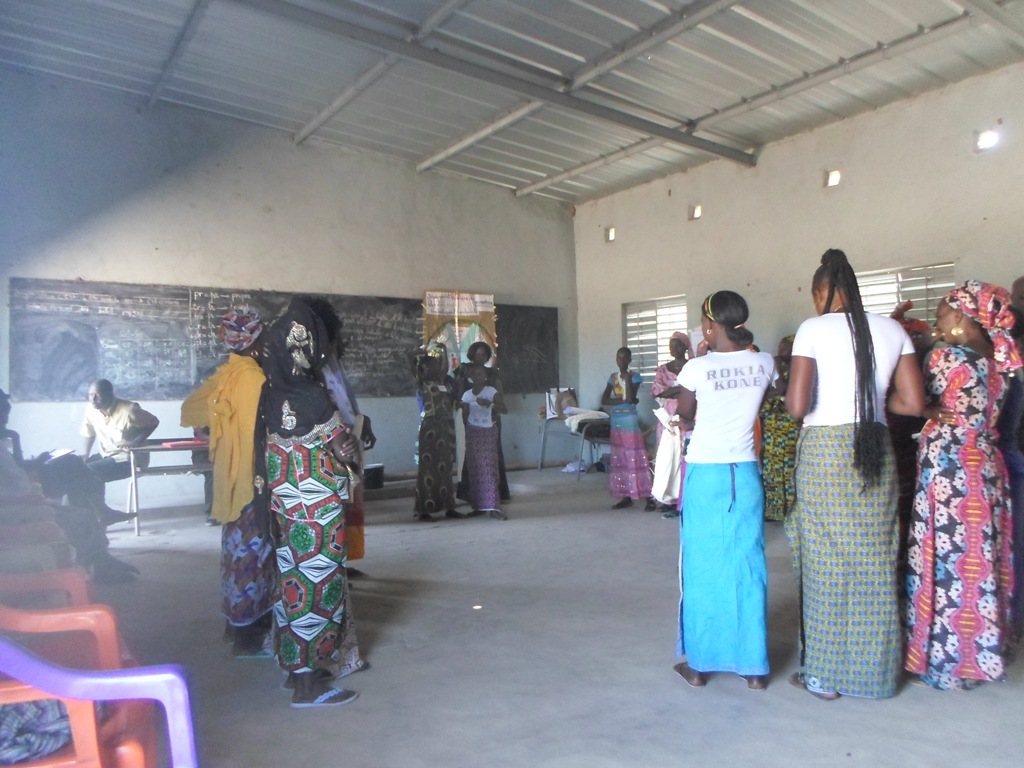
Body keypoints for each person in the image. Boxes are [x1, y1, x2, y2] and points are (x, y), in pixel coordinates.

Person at [785, 249, 925, 700]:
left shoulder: (813, 329)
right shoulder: (892, 329)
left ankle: (825, 676)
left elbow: (797, 406)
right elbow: (913, 404)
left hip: (826, 451)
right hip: (875, 444)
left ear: (824, 292)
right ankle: (877, 675)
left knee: (826, 562)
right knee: (875, 557)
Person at [904, 281, 1021, 689]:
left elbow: (913, 403)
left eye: (939, 316)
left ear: (959, 317)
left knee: (943, 559)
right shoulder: (1001, 362)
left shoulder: (944, 357)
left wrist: (928, 409)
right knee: (978, 558)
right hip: (986, 467)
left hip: (949, 469)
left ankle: (944, 662)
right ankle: (979, 657)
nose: (936, 323)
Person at [253, 298, 364, 708]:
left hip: (287, 513)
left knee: (293, 586)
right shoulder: (314, 397)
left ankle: (293, 671)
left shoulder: (268, 395)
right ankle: (308, 685)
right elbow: (343, 450)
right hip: (318, 516)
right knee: (320, 590)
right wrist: (348, 446)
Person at [671, 291, 775, 691]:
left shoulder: (696, 368)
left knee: (701, 566)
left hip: (705, 472)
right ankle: (754, 669)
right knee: (748, 565)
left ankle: (698, 666)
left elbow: (684, 412)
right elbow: (765, 399)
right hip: (744, 473)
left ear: (710, 325)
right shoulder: (763, 362)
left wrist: (700, 357)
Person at [180, 308, 275, 657]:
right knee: (254, 555)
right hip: (251, 479)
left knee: (237, 552)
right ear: (253, 341)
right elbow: (260, 433)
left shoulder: (228, 372)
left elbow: (193, 411)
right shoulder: (253, 377)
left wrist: (220, 429)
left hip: (230, 477)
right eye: (264, 336)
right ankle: (247, 635)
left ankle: (237, 627)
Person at [306, 297, 377, 576]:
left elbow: (346, 403)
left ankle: (342, 563)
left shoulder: (334, 365)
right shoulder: (309, 370)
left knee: (349, 509)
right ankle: (330, 567)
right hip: (331, 451)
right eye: (337, 338)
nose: (342, 344)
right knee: (332, 511)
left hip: (349, 443)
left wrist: (363, 420)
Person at [454, 341, 510, 503]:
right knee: (471, 455)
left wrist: (493, 406)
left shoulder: (492, 373)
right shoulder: (464, 370)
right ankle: (471, 493)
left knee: (493, 456)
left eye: (484, 354)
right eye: (478, 354)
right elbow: (459, 393)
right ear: (472, 354)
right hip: (469, 419)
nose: (481, 357)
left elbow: (501, 397)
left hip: (490, 419)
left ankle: (496, 493)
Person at [410, 343, 459, 522]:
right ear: (423, 370)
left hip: (445, 427)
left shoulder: (442, 382)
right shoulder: (421, 383)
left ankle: (449, 507)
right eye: (432, 366)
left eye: (437, 365)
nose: (437, 368)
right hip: (429, 429)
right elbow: (410, 365)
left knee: (445, 468)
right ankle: (424, 510)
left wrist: (444, 350)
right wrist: (417, 355)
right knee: (427, 470)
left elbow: (446, 367)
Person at [601, 347, 653, 510]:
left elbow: (630, 399)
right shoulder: (612, 377)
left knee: (636, 456)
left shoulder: (635, 377)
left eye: (624, 358)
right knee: (621, 457)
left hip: (629, 420)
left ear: (630, 360)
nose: (621, 361)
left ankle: (648, 497)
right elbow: (604, 400)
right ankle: (626, 496)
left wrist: (627, 383)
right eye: (618, 358)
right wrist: (622, 400)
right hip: (617, 420)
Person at [80, 378, 159, 484]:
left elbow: (154, 422)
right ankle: (81, 501)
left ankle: (96, 501)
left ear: (109, 394)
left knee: (89, 471)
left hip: (129, 458)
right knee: (77, 469)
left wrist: (137, 440)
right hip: (106, 454)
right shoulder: (91, 409)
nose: (93, 399)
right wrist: (85, 454)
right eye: (90, 395)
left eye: (97, 395)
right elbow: (89, 432)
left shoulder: (129, 410)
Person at [758, 335, 800, 522]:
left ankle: (791, 510)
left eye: (786, 346)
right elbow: (762, 392)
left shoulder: (800, 369)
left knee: (790, 467)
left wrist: (775, 364)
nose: (781, 349)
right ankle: (774, 510)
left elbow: (782, 389)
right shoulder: (774, 369)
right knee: (772, 467)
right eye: (780, 346)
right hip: (772, 423)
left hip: (790, 424)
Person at [458, 365, 508, 519]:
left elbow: (504, 409)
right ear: (470, 377)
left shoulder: (491, 391)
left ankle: (494, 507)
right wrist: (465, 415)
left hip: (487, 431)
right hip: (473, 433)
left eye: (481, 374)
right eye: (475, 374)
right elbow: (464, 415)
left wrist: (490, 404)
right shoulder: (466, 395)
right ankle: (479, 506)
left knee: (489, 468)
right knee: (475, 470)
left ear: (485, 376)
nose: (478, 376)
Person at [650, 332, 690, 516]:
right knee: (667, 458)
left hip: (688, 417)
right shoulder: (662, 369)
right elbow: (658, 392)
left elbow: (695, 391)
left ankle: (684, 497)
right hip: (667, 419)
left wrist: (672, 391)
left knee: (685, 457)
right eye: (671, 346)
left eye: (678, 345)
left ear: (685, 347)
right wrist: (680, 390)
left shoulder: (693, 366)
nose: (674, 349)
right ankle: (667, 498)